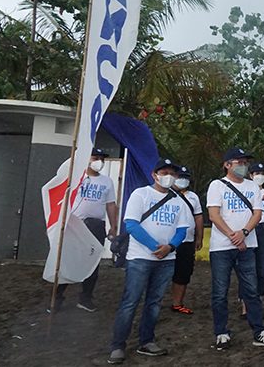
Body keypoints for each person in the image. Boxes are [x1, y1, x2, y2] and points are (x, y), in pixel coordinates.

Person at [107, 158, 192, 364]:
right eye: (164, 172)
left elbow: (183, 229)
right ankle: (118, 345)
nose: (169, 176)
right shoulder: (140, 194)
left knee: (154, 303)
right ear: (154, 175)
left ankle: (147, 341)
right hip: (140, 258)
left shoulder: (178, 201)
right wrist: (156, 247)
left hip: (167, 259)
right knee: (130, 301)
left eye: (172, 173)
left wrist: (170, 247)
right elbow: (132, 225)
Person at [207, 147, 264, 351]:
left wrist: (244, 233)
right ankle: (221, 333)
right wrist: (233, 235)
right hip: (221, 247)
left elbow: (258, 214)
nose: (243, 165)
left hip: (247, 245)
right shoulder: (217, 186)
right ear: (227, 165)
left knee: (251, 290)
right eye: (238, 162)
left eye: (245, 162)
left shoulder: (252, 187)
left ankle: (259, 332)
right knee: (220, 292)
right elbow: (214, 215)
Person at [54, 148, 119, 313]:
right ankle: (57, 297)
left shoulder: (107, 182)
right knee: (68, 261)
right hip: (75, 224)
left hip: (96, 225)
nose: (99, 161)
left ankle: (86, 298)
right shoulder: (75, 177)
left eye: (101, 158)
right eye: (95, 157)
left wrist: (113, 226)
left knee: (93, 263)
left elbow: (111, 204)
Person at [241, 163, 264, 317]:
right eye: (256, 173)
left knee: (262, 268)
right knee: (247, 268)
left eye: (262, 173)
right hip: (249, 228)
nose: (260, 176)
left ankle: (258, 303)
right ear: (250, 175)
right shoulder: (245, 190)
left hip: (263, 229)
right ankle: (244, 306)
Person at [169, 166, 204, 315]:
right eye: (180, 177)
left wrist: (199, 237)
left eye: (186, 177)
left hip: (187, 241)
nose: (183, 180)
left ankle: (177, 303)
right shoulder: (166, 194)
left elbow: (199, 217)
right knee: (161, 272)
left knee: (183, 273)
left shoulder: (193, 197)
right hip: (168, 241)